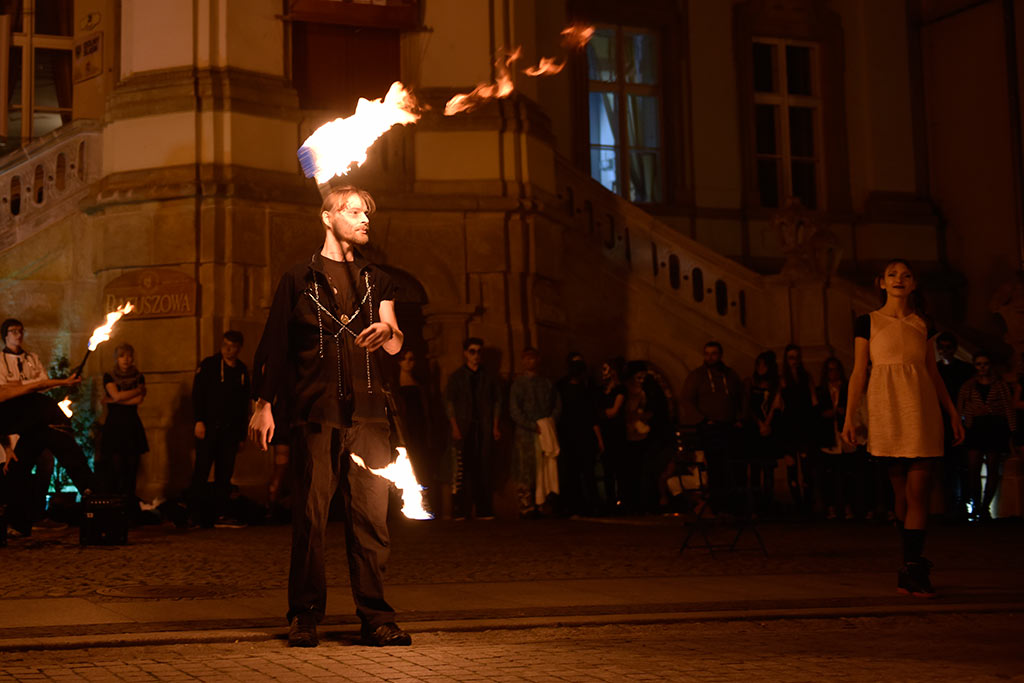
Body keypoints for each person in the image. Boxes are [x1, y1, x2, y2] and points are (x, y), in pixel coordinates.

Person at [248, 185, 411, 648]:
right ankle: (304, 615)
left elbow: (396, 339)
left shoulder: (376, 279)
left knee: (371, 522)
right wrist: (264, 404)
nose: (365, 220)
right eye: (354, 211)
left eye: (367, 213)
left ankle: (376, 617)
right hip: (315, 413)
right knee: (312, 517)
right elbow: (274, 347)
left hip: (369, 418)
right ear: (327, 217)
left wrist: (387, 329)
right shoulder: (298, 278)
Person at [843, 258, 964, 598]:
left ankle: (913, 567)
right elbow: (858, 371)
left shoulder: (923, 322)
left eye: (906, 275)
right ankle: (909, 560)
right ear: (880, 282)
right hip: (886, 409)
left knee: (919, 488)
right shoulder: (867, 322)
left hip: (920, 408)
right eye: (893, 274)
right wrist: (850, 416)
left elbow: (933, 372)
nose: (899, 279)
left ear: (914, 284)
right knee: (900, 493)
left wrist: (952, 413)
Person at [0, 375, 96, 538]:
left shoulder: (2, 393)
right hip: (32, 429)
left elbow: (36, 385)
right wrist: (9, 450)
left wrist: (64, 382)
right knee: (16, 471)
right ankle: (19, 526)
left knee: (76, 466)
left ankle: (101, 515)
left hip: (51, 420)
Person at [0, 318, 57, 529]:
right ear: (5, 335)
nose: (18, 334)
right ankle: (15, 517)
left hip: (34, 419)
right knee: (15, 468)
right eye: (13, 331)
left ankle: (38, 513)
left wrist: (22, 385)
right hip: (12, 421)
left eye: (20, 330)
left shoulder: (32, 358)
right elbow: (4, 389)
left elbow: (44, 383)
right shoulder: (0, 359)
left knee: (45, 462)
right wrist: (31, 384)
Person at [190, 330, 251, 527]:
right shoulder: (209, 365)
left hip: (230, 431)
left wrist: (242, 434)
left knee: (224, 474)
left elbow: (244, 405)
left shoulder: (241, 371)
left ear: (239, 348)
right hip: (209, 428)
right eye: (225, 344)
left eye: (232, 346)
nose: (227, 349)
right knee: (202, 469)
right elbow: (198, 394)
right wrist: (199, 420)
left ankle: (220, 513)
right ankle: (195, 514)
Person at [680, 341, 743, 514]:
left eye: (713, 353)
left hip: (729, 427)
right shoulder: (697, 376)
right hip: (710, 429)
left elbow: (739, 397)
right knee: (716, 467)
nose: (710, 357)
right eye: (707, 353)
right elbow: (687, 399)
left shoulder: (730, 376)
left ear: (720, 355)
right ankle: (717, 504)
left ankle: (731, 505)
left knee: (730, 466)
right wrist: (702, 420)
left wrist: (738, 418)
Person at [445, 337, 502, 520]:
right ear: (465, 353)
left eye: (479, 352)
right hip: (463, 426)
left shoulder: (489, 377)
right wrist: (454, 426)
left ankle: (483, 508)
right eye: (472, 351)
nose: (476, 356)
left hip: (483, 427)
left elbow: (497, 402)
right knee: (461, 468)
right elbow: (449, 403)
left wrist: (495, 426)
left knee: (483, 467)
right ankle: (460, 509)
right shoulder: (457, 377)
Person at [957, 352, 1015, 521]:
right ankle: (977, 504)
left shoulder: (1000, 385)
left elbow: (1008, 408)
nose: (982, 368)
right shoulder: (968, 386)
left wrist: (1012, 431)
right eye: (979, 364)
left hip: (994, 428)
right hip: (975, 428)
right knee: (973, 467)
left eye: (985, 364)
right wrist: (965, 421)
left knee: (992, 467)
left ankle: (985, 507)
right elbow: (960, 407)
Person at [509, 347, 562, 515]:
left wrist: (549, 422)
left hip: (545, 430)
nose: (529, 361)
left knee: (545, 467)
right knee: (526, 468)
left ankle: (544, 502)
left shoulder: (546, 383)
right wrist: (531, 425)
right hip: (526, 434)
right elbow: (514, 409)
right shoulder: (518, 384)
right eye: (526, 358)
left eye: (532, 358)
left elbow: (557, 404)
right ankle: (526, 504)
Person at [98, 344, 148, 512]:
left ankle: (129, 506)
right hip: (115, 425)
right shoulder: (109, 376)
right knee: (116, 467)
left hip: (132, 424)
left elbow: (138, 400)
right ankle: (116, 505)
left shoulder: (139, 376)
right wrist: (131, 393)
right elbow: (117, 394)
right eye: (122, 356)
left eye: (129, 356)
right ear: (116, 358)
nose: (126, 359)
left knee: (132, 467)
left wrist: (116, 399)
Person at [556, 352, 603, 516]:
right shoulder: (563, 387)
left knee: (584, 472)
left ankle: (588, 505)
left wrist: (598, 438)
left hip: (580, 436)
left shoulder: (585, 388)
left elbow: (592, 415)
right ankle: (579, 505)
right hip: (572, 436)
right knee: (575, 473)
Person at [936, 332, 973, 520]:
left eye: (948, 347)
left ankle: (964, 503)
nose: (944, 351)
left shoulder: (965, 370)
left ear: (955, 349)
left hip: (961, 419)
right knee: (947, 465)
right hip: (941, 422)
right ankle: (949, 504)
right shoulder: (935, 370)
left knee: (963, 465)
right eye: (941, 348)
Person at [816, 357, 859, 520]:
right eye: (830, 370)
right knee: (829, 476)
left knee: (848, 475)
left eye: (835, 369)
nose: (832, 373)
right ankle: (831, 507)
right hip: (829, 437)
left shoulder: (847, 389)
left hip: (844, 436)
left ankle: (849, 507)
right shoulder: (821, 390)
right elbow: (817, 412)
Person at [779, 343, 818, 515]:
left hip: (804, 426)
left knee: (807, 467)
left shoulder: (805, 377)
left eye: (796, 357)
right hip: (788, 428)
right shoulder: (782, 379)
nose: (794, 361)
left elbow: (813, 399)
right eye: (791, 357)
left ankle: (808, 505)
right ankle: (798, 506)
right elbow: (777, 404)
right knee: (792, 467)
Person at [742, 351, 782, 514]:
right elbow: (748, 405)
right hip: (754, 429)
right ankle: (756, 505)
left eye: (763, 364)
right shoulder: (750, 382)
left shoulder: (775, 383)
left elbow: (774, 405)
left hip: (769, 428)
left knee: (768, 468)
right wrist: (759, 423)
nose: (760, 368)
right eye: (758, 364)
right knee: (755, 467)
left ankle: (768, 503)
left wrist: (767, 423)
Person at [597, 358, 626, 511]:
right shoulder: (600, 391)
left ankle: (621, 500)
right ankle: (609, 501)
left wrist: (601, 413)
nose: (604, 373)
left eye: (606, 369)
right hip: (605, 433)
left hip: (617, 434)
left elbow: (614, 411)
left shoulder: (620, 390)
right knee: (607, 468)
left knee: (619, 468)